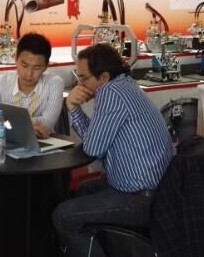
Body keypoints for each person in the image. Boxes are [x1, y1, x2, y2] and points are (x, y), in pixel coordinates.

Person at [53, 44, 174, 257]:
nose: (80, 85)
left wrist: (73, 107)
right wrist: (76, 109)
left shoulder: (111, 93)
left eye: (84, 78)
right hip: (153, 189)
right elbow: (96, 140)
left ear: (104, 77)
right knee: (84, 191)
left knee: (63, 216)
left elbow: (93, 148)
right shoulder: (124, 85)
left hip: (140, 198)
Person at [0, 32, 64, 138]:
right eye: (24, 65)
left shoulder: (54, 83)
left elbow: (47, 123)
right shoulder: (0, 82)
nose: (29, 74)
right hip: (6, 142)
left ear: (46, 66)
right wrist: (30, 125)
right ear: (16, 59)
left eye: (37, 67)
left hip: (42, 142)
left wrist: (4, 122)